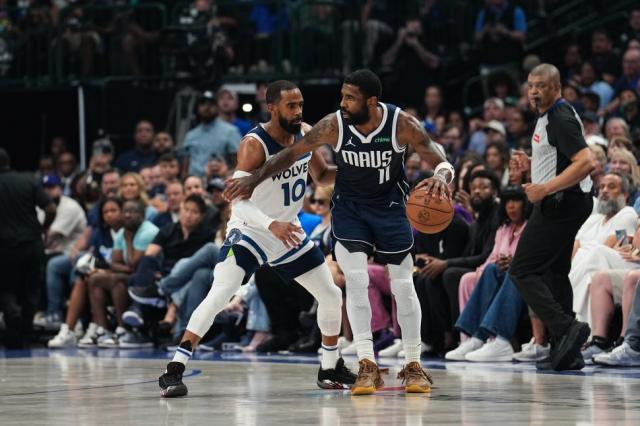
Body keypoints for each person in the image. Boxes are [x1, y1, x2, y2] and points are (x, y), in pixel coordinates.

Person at [224, 70, 453, 395]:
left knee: (403, 284)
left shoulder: (401, 124)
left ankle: (413, 364)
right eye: (342, 96)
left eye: (350, 98)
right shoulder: (333, 125)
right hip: (350, 209)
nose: (342, 103)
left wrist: (442, 177)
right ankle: (366, 364)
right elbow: (291, 153)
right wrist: (253, 179)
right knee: (356, 281)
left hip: (390, 208)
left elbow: (440, 160)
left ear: (371, 101)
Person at [157, 80, 357, 398]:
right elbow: (237, 201)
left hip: (287, 231)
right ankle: (174, 369)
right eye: (291, 106)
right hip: (251, 230)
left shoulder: (305, 133)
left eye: (301, 104)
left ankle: (329, 367)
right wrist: (270, 224)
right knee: (221, 293)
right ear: (272, 107)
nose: (298, 111)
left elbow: (320, 176)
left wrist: (356, 170)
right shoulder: (254, 144)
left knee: (331, 295)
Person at [509, 63, 596, 371]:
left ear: (556, 88)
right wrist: (531, 164)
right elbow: (560, 158)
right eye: (531, 85)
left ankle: (566, 328)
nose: (534, 91)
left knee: (522, 271)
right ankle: (568, 352)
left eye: (541, 86)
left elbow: (586, 162)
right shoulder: (548, 115)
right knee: (554, 273)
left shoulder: (559, 117)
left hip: (562, 203)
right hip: (567, 201)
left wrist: (544, 187)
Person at [0, 149, 56, 348]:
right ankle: (26, 333)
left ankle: (12, 315)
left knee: (4, 287)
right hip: (32, 242)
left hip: (4, 246)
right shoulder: (28, 180)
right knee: (31, 289)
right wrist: (43, 228)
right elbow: (50, 209)